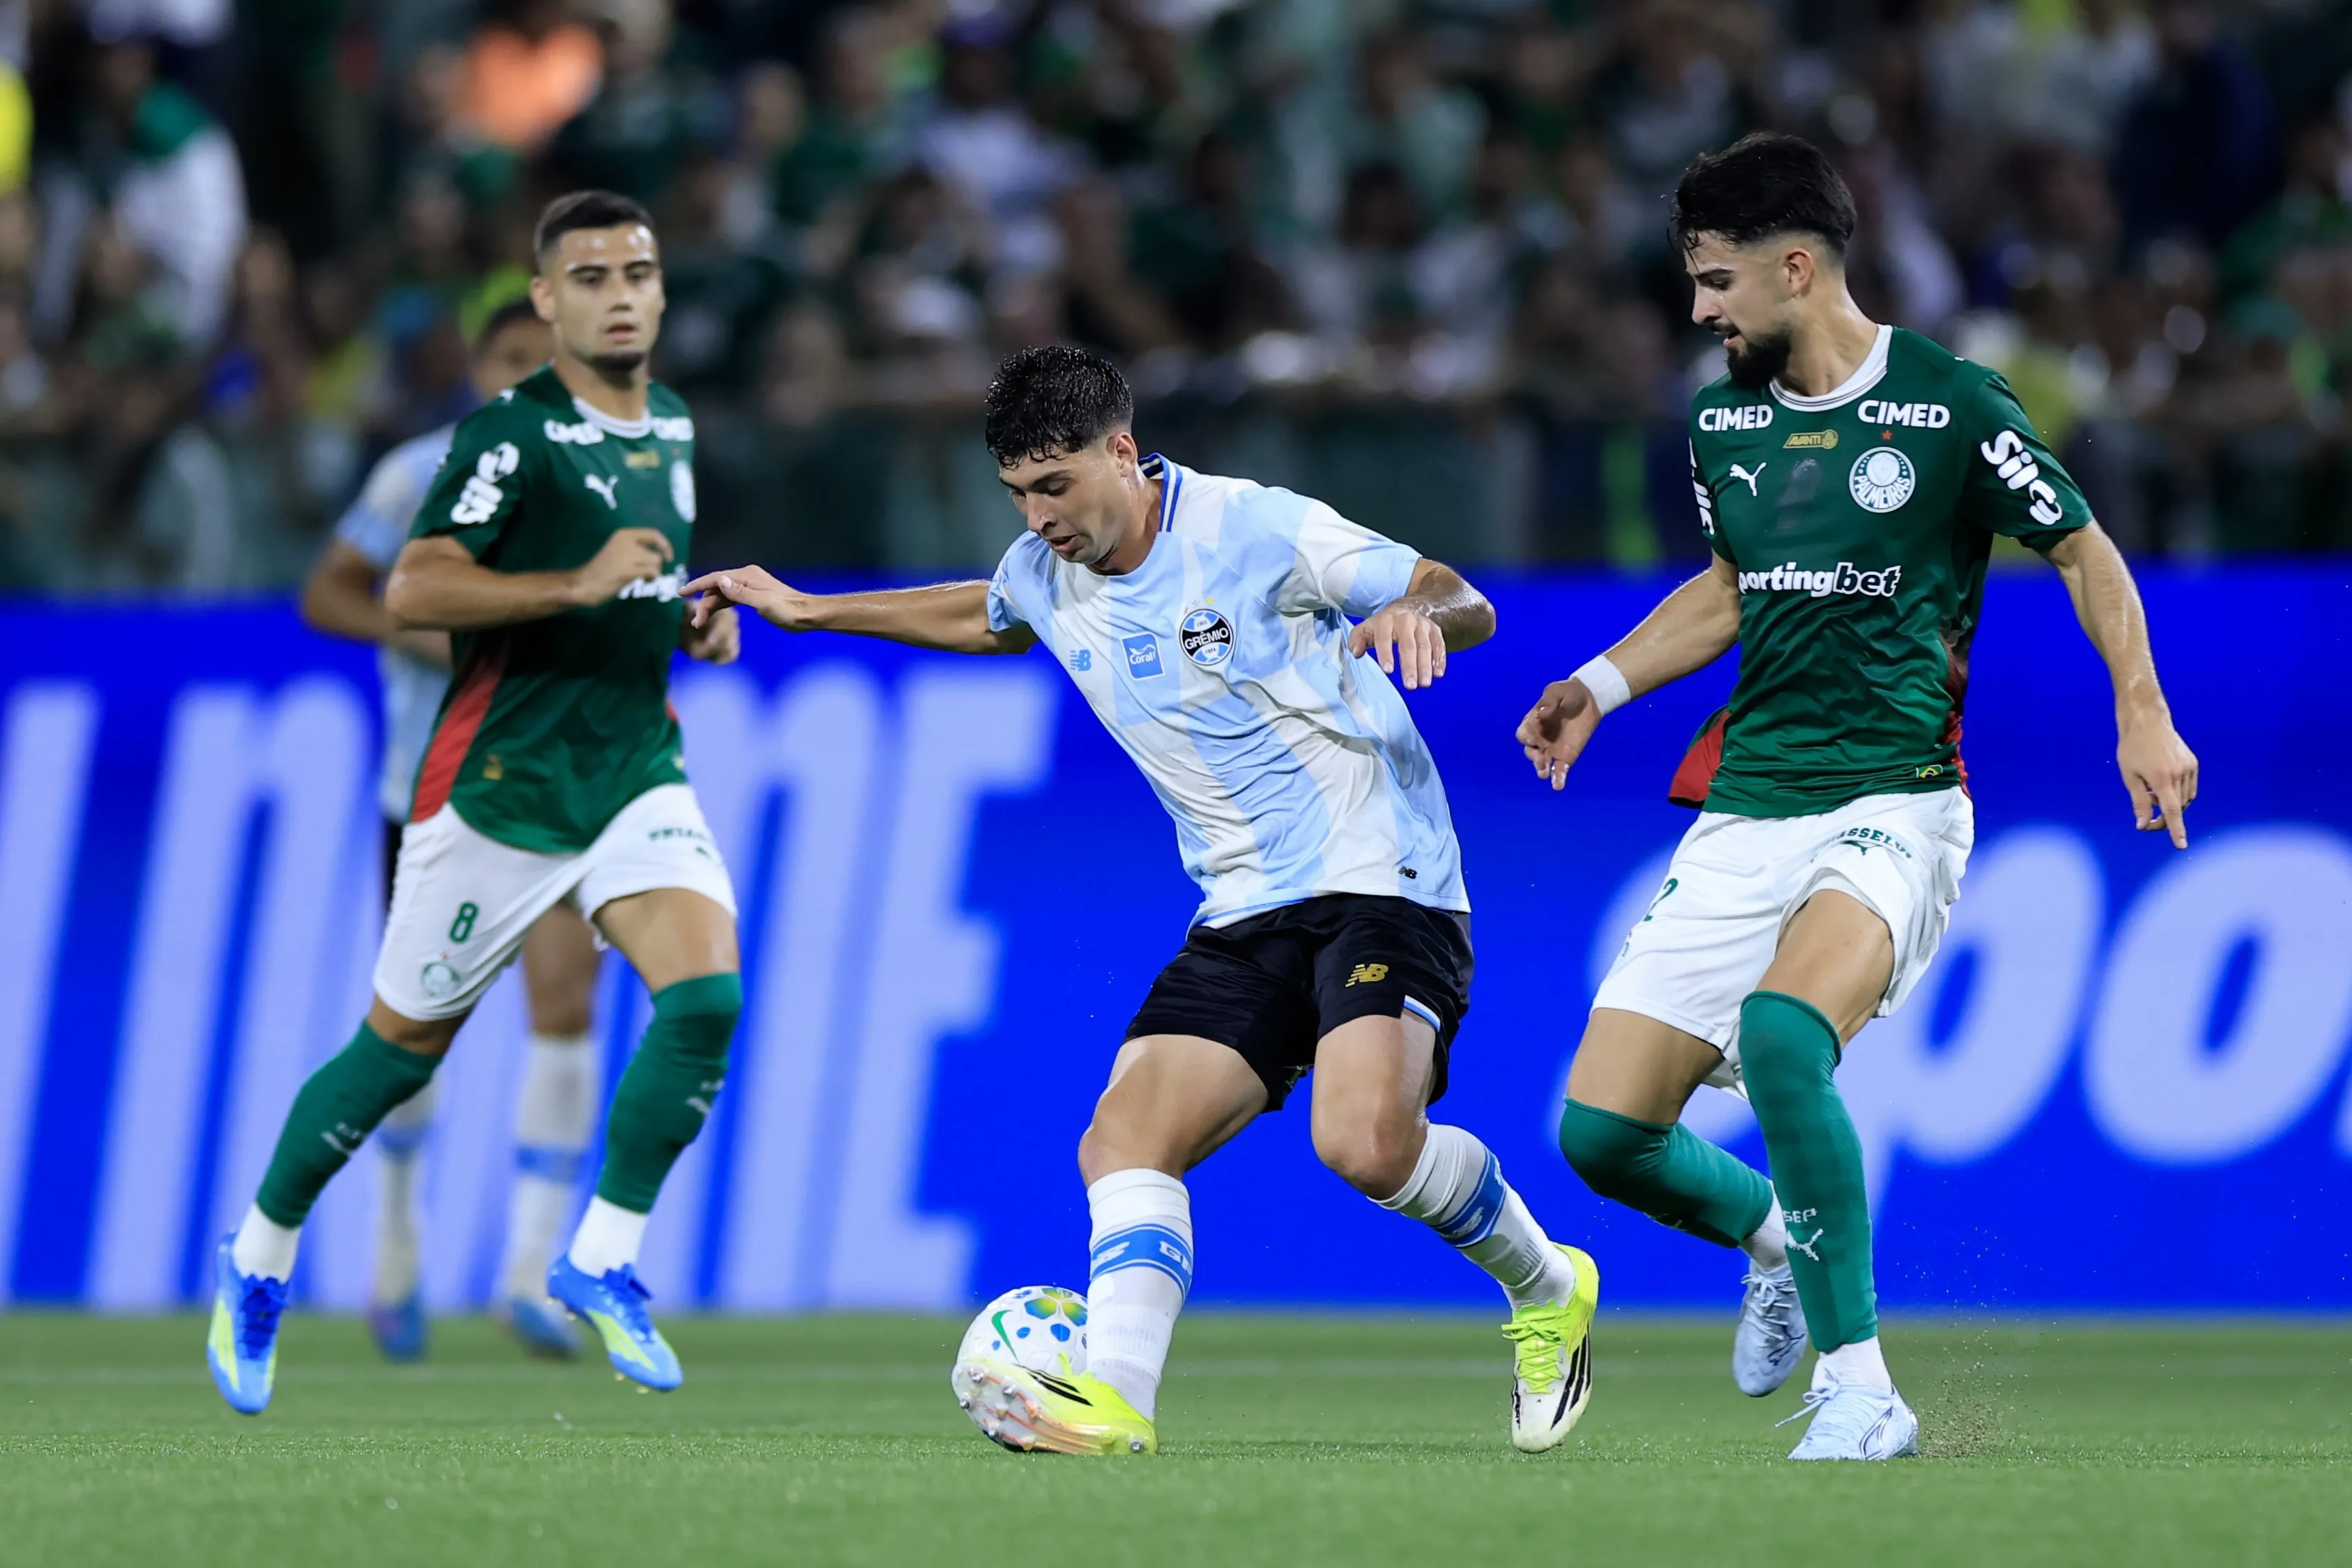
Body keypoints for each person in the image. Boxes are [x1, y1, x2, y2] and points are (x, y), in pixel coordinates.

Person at [686, 344, 1598, 1458]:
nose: (1040, 516)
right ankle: (1116, 1403)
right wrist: (810, 610)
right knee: (1123, 1138)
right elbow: (992, 610)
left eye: (1056, 484)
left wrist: (1419, 612)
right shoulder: (1043, 566)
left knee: (1363, 1143)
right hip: (1240, 906)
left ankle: (1549, 1285)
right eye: (1017, 492)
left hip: (1381, 875)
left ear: (1122, 451)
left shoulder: (1251, 526)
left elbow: (1460, 596)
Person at [1518, 133, 2198, 1461]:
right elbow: (1732, 587)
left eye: (1717, 281)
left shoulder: (1951, 405)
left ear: (1796, 268)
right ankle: (1780, 1240)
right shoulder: (1723, 422)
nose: (1699, 310)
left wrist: (2143, 707)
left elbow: (2083, 548)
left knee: (1783, 1037)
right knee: (1601, 1134)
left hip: (1897, 800)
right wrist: (1598, 684)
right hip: (1749, 806)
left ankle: (1863, 1389)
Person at [208, 190, 747, 1414]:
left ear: (662, 291)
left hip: (631, 770)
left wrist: (683, 624)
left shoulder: (670, 422)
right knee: (397, 1053)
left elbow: (633, 587)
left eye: (638, 273)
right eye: (591, 277)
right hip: (500, 789)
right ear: (547, 300)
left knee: (705, 996)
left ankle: (597, 1256)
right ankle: (260, 1252)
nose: (620, 296)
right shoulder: (508, 436)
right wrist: (574, 583)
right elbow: (412, 586)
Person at [297, 298, 596, 1363]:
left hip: (554, 785)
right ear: (477, 369)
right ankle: (396, 1251)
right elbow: (328, 592)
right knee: (418, 1027)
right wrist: (430, 634)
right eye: (511, 359)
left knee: (567, 1004)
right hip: (431, 791)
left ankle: (529, 1274)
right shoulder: (417, 472)